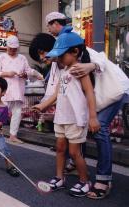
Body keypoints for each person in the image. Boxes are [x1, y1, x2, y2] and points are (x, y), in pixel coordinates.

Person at [45, 12, 129, 198]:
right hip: (96, 97)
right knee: (80, 132)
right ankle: (76, 163)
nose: (49, 59)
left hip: (114, 91)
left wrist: (90, 66)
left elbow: (100, 58)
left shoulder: (78, 50)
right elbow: (57, 87)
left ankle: (103, 179)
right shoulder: (63, 61)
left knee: (99, 127)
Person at [32, 30, 100, 197]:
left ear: (75, 52)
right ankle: (59, 177)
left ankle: (85, 181)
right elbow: (57, 94)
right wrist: (43, 106)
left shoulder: (79, 69)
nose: (59, 59)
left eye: (62, 55)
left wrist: (92, 117)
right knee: (60, 149)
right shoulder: (63, 71)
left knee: (75, 152)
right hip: (61, 117)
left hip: (75, 118)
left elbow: (90, 93)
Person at [0, 35, 43, 144]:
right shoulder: (2, 57)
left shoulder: (22, 58)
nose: (12, 50)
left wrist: (25, 75)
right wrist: (7, 73)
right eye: (11, 48)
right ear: (7, 47)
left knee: (17, 113)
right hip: (5, 90)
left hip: (18, 90)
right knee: (0, 112)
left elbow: (29, 71)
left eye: (15, 48)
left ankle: (13, 135)